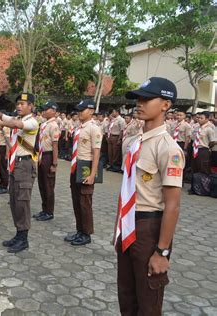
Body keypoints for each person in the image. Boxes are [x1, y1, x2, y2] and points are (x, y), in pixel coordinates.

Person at [114, 77, 184, 315]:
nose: (140, 104)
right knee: (126, 293)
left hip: (149, 227)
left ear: (165, 104)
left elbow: (172, 206)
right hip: (127, 223)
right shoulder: (134, 143)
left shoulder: (168, 148)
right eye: (138, 99)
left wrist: (162, 252)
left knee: (148, 300)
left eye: (146, 99)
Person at [0, 93, 39, 253]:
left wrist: (1, 119)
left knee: (22, 202)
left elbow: (16, 124)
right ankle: (19, 234)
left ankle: (24, 239)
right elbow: (10, 120)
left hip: (25, 165)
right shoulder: (19, 120)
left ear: (31, 106)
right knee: (14, 201)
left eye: (23, 104)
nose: (19, 106)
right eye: (18, 103)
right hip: (16, 165)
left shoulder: (32, 122)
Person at [64, 99, 102, 246]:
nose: (79, 112)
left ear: (91, 111)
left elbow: (96, 152)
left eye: (83, 109)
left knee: (85, 203)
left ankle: (86, 233)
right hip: (76, 167)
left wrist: (93, 174)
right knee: (76, 201)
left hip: (86, 167)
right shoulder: (80, 127)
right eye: (79, 110)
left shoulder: (94, 128)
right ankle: (79, 230)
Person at [34, 100, 60, 222]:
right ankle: (44, 209)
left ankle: (49, 211)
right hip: (42, 156)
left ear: (54, 111)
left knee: (48, 186)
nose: (43, 111)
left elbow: (55, 145)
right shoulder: (45, 124)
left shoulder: (54, 125)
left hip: (49, 156)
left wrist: (54, 163)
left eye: (46, 109)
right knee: (42, 184)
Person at [189, 111, 216, 194]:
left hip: (203, 150)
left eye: (201, 118)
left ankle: (203, 189)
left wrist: (207, 147)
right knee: (194, 168)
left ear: (207, 119)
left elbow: (213, 141)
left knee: (203, 168)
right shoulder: (197, 127)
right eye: (199, 118)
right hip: (195, 149)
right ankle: (193, 188)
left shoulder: (209, 129)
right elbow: (193, 138)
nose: (199, 120)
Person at [107, 108, 126, 172]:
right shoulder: (113, 120)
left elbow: (122, 130)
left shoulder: (121, 120)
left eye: (113, 112)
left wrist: (119, 139)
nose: (112, 113)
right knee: (110, 152)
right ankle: (111, 165)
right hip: (111, 136)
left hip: (116, 137)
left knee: (115, 153)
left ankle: (115, 166)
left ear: (117, 112)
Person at [0, 110, 10, 194]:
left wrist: (7, 153)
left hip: (2, 148)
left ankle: (4, 186)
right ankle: (1, 184)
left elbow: (7, 140)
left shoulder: (6, 126)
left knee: (3, 168)